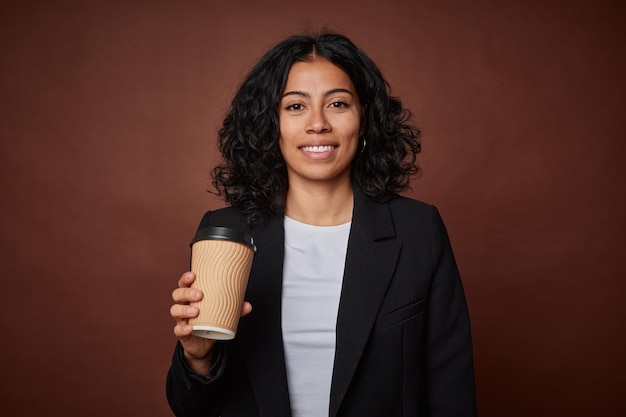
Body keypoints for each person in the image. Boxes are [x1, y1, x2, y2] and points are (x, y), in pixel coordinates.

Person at [167, 32, 476, 417]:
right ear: (271, 124)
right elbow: (190, 407)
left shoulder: (417, 229)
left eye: (338, 104)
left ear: (364, 120)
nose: (318, 124)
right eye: (295, 106)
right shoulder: (227, 231)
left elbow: (452, 389)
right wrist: (197, 356)